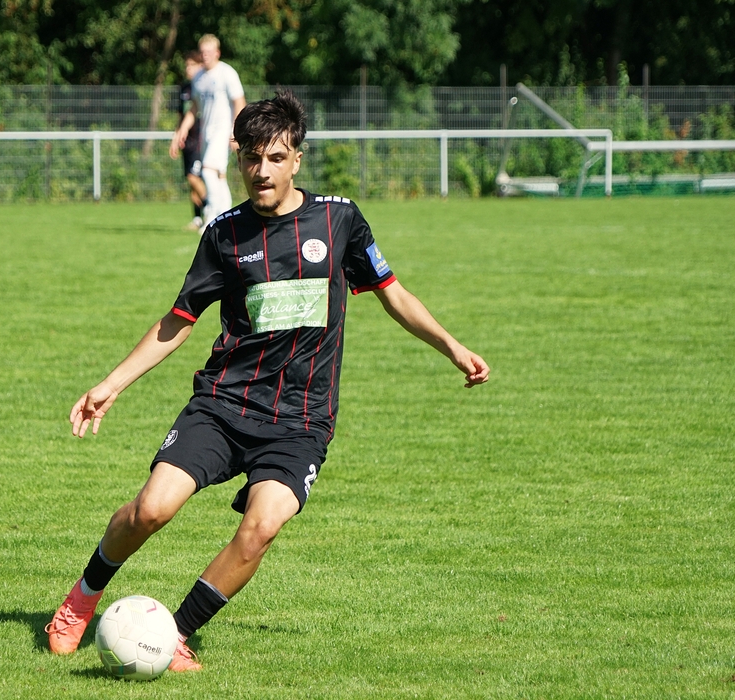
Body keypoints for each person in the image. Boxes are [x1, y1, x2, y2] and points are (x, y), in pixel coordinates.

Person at [46, 90, 490, 672]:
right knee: (152, 508)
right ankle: (81, 600)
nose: (262, 171)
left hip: (301, 420)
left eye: (276, 157)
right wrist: (112, 383)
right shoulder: (224, 234)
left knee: (261, 527)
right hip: (224, 404)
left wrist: (453, 347)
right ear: (239, 159)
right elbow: (179, 320)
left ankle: (171, 637)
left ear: (296, 159)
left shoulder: (339, 220)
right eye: (252, 158)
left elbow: (393, 293)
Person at [169, 34, 245, 233]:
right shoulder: (199, 78)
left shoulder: (227, 73)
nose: (205, 56)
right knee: (219, 175)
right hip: (206, 133)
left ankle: (212, 215)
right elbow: (194, 107)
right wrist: (182, 130)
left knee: (208, 171)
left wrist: (236, 131)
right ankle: (227, 217)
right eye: (202, 52)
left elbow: (239, 102)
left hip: (223, 130)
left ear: (217, 53)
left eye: (209, 52)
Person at [177, 51, 207, 231]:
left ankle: (211, 207)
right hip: (186, 141)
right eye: (186, 65)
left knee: (193, 177)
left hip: (200, 140)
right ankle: (197, 218)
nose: (188, 69)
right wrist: (177, 135)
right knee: (191, 181)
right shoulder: (184, 88)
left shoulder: (204, 86)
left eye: (192, 65)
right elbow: (180, 115)